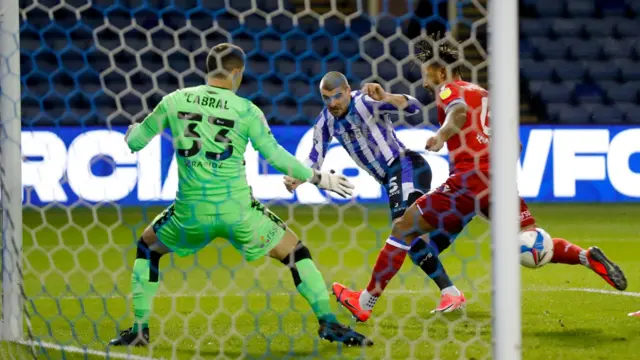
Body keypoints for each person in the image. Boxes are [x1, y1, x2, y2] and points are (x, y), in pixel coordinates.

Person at [332, 38, 627, 322]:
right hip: (495, 181)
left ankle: (364, 302)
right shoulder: (484, 94)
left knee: (403, 228)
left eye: (426, 75)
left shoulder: (449, 90)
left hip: (467, 181)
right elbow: (516, 144)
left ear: (441, 71)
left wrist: (442, 136)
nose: (425, 82)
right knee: (529, 239)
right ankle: (586, 256)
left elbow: (457, 113)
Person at [108, 43, 372, 347]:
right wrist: (318, 177)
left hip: (189, 213)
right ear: (237, 72)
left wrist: (131, 134)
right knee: (296, 253)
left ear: (209, 69)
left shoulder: (174, 100)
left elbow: (137, 142)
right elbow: (275, 156)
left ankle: (140, 330)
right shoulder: (247, 110)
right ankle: (328, 323)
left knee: (147, 247)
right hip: (239, 212)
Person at [284, 71, 464, 316]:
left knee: (404, 229)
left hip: (406, 166)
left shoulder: (365, 101)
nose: (333, 103)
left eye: (337, 96)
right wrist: (299, 176)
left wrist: (387, 96)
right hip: (393, 176)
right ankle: (460, 223)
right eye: (327, 98)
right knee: (410, 241)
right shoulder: (326, 120)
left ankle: (368, 302)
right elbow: (314, 157)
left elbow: (412, 106)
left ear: (348, 90)